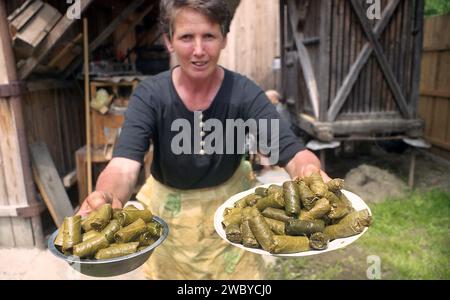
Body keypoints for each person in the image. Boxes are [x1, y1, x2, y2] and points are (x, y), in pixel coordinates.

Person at [77, 0, 329, 279]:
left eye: (209, 36)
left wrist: (309, 172)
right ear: (169, 41)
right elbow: (123, 166)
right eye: (186, 37)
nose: (199, 51)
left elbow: (291, 152)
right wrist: (107, 196)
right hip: (169, 221)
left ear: (223, 39)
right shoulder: (150, 95)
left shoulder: (243, 93)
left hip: (234, 218)